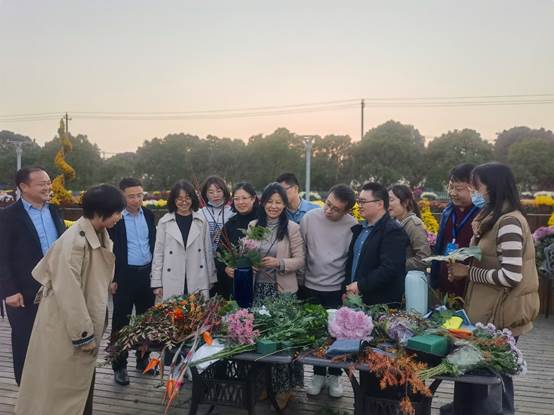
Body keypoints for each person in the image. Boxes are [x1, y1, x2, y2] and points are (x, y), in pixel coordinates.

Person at [15, 184, 125, 415]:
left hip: (79, 322)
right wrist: (83, 335)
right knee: (63, 391)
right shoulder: (74, 241)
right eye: (117, 212)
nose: (120, 216)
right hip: (67, 328)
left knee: (78, 385)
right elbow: (69, 293)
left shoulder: (98, 232)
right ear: (100, 212)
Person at [447, 163, 539, 415]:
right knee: (489, 376)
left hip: (502, 313)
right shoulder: (494, 217)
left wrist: (468, 272)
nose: (474, 191)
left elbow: (511, 275)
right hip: (490, 310)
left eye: (477, 186)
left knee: (494, 378)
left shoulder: (509, 222)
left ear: (493, 186)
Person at [0, 167, 65, 385]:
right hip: (23, 292)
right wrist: (9, 291)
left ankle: (51, 383)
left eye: (48, 182)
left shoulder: (55, 211)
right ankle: (26, 387)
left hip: (56, 287)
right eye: (41, 184)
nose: (48, 187)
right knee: (25, 339)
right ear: (24, 187)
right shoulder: (8, 216)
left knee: (56, 337)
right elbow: (2, 257)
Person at [249, 182, 305, 409]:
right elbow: (246, 253)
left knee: (282, 341)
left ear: (284, 205)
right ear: (263, 203)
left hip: (282, 292)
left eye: (278, 202)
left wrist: (279, 262)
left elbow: (300, 260)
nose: (273, 206)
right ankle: (266, 385)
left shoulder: (292, 228)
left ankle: (284, 389)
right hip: (259, 291)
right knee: (262, 339)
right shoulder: (254, 225)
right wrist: (250, 263)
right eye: (270, 202)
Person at [300, 184, 357, 398]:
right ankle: (317, 374)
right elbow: (302, 250)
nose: (328, 210)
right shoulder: (309, 218)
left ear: (347, 211)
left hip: (337, 288)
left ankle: (334, 376)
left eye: (336, 209)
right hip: (310, 285)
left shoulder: (353, 225)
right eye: (328, 204)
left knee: (338, 334)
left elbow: (352, 259)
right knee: (316, 335)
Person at [108, 178, 156, 386]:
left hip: (147, 275)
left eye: (139, 195)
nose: (136, 200)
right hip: (124, 277)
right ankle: (119, 366)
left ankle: (143, 359)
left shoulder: (149, 215)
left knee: (147, 321)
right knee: (121, 323)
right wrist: (112, 278)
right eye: (131, 196)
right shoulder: (115, 219)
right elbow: (107, 251)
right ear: (122, 197)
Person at [345, 182, 408, 307]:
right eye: (359, 201)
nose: (359, 205)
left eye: (363, 202)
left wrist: (360, 285)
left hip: (380, 305)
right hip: (355, 299)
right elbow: (352, 263)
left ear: (380, 204)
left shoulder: (393, 231)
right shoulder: (360, 229)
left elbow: (389, 269)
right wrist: (348, 288)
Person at [151, 180, 216, 300]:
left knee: (197, 310)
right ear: (173, 200)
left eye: (187, 198)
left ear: (193, 199)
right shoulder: (164, 222)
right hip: (171, 278)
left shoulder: (201, 221)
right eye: (179, 199)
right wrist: (156, 283)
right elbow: (158, 253)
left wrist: (211, 278)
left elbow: (207, 251)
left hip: (197, 277)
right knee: (173, 310)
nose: (184, 202)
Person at [430, 163, 483, 298]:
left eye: (458, 189)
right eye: (450, 187)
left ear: (474, 188)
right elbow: (439, 247)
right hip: (445, 284)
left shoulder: (483, 215)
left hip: (471, 287)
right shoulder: (448, 212)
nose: (453, 193)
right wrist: (434, 281)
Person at [215, 182, 259, 299]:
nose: (240, 202)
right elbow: (219, 252)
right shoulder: (230, 225)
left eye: (244, 198)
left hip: (260, 281)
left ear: (253, 198)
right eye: (236, 199)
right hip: (236, 283)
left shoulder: (262, 220)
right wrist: (225, 268)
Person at [388, 185, 431, 272]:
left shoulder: (414, 225)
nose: (387, 204)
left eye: (391, 200)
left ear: (405, 202)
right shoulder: (392, 223)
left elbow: (424, 258)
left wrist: (397, 264)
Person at [200, 175, 234, 253]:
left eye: (218, 191)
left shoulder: (232, 212)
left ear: (224, 192)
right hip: (204, 255)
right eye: (211, 192)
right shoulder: (201, 213)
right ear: (205, 194)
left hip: (226, 255)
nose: (215, 195)